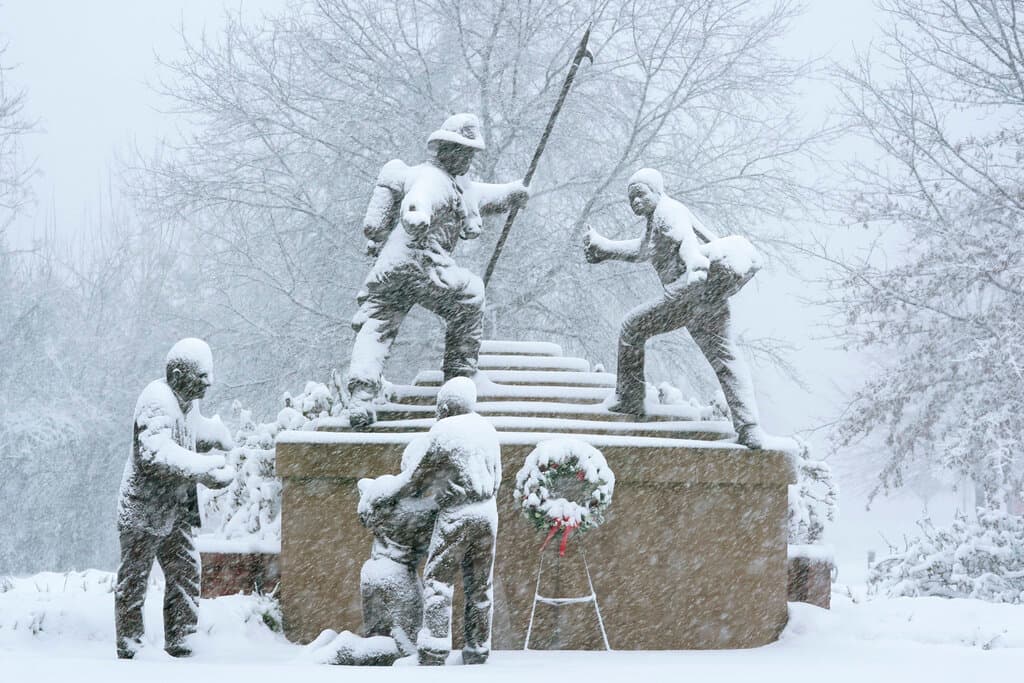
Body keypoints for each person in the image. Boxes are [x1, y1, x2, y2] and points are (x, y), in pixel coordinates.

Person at [347, 113, 529, 427]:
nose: (468, 159)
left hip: (391, 267)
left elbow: (485, 195)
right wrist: (418, 214)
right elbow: (420, 201)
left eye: (471, 153)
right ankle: (460, 380)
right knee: (470, 297)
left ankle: (361, 397)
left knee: (378, 323)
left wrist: (512, 194)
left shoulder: (457, 186)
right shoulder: (433, 180)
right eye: (463, 151)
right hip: (423, 264)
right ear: (446, 150)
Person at [583, 168, 766, 449]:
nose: (635, 202)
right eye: (631, 198)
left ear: (657, 192)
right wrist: (605, 247)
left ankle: (630, 398)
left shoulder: (668, 212)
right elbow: (645, 250)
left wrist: (694, 264)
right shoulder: (658, 218)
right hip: (710, 297)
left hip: (687, 293)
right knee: (725, 356)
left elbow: (685, 241)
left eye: (641, 194)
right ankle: (749, 426)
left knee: (631, 329)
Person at [115, 338, 235, 659]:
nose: (208, 382)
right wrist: (202, 469)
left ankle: (183, 641)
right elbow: (156, 453)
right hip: (145, 510)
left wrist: (216, 435)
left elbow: (190, 434)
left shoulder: (187, 403)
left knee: (185, 569)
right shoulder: (156, 400)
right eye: (200, 376)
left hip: (175, 509)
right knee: (134, 581)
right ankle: (131, 646)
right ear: (179, 373)